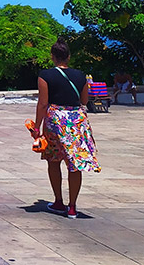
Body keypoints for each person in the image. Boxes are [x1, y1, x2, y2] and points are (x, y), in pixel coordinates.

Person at [32, 39, 101, 218]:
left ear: (53, 57)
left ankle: (58, 202)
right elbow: (84, 101)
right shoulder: (80, 75)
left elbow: (43, 103)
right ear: (68, 57)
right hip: (77, 121)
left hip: (56, 121)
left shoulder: (45, 75)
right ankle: (72, 207)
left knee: (54, 161)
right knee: (75, 163)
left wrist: (37, 127)